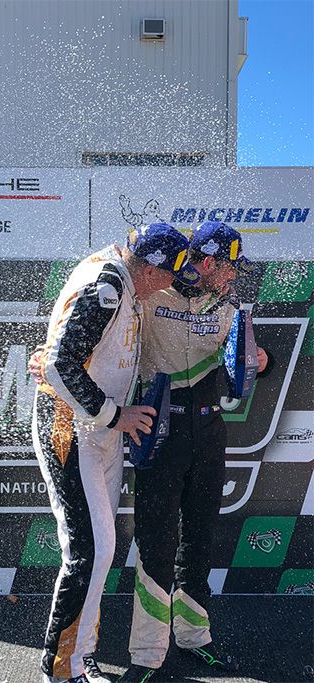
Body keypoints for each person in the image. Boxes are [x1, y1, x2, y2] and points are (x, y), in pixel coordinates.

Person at [33, 223, 199, 683]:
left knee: (101, 553)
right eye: (167, 276)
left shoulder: (127, 278)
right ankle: (60, 668)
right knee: (90, 552)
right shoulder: (107, 286)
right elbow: (57, 365)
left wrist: (112, 418)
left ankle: (79, 657)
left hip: (100, 430)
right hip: (74, 429)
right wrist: (114, 415)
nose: (168, 286)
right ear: (148, 267)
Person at [117, 221, 271, 682]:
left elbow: (244, 359)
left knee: (199, 540)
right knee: (156, 542)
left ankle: (194, 638)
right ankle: (146, 654)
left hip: (208, 433)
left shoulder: (227, 303)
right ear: (208, 262)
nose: (233, 277)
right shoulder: (150, 292)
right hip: (158, 431)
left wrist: (263, 363)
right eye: (228, 268)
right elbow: (104, 337)